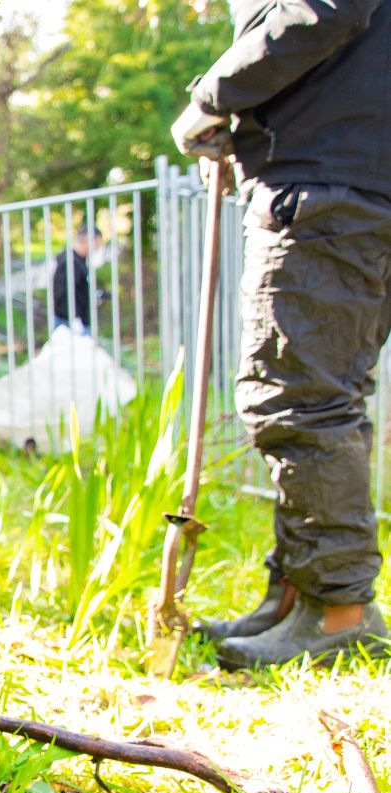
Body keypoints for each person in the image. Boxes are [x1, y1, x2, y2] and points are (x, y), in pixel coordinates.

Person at [170, 0, 390, 668]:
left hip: (328, 184)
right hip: (347, 174)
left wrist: (215, 97)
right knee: (326, 396)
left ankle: (341, 613)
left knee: (296, 399)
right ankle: (296, 596)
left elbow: (323, 7)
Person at [49, 226, 106, 334]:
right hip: (68, 323)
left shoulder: (79, 260)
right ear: (86, 239)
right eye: (96, 243)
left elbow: (77, 288)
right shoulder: (69, 262)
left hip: (76, 321)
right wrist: (74, 319)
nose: (97, 248)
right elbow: (61, 294)